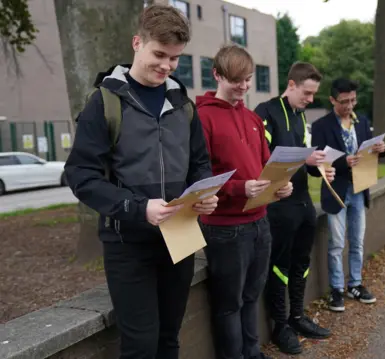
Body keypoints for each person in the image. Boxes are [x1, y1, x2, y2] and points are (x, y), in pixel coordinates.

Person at [64, 5, 218, 359]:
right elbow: (80, 175)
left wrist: (205, 191)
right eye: (159, 54)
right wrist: (138, 208)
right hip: (127, 243)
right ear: (138, 43)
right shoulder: (103, 102)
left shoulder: (183, 103)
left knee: (169, 338)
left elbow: (199, 163)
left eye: (175, 59)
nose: (166, 66)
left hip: (180, 236)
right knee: (141, 346)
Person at [196, 44, 292, 359]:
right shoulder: (202, 118)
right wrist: (239, 189)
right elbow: (199, 176)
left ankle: (253, 352)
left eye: (248, 79)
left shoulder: (252, 118)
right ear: (217, 75)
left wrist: (280, 186)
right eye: (237, 80)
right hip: (224, 228)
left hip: (259, 221)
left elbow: (266, 164)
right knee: (229, 304)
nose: (244, 87)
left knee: (252, 296)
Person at [254, 62, 334, 355]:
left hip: (303, 205)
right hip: (278, 208)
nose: (311, 100)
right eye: (307, 93)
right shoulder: (265, 112)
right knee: (280, 267)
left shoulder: (300, 117)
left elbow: (304, 161)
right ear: (291, 84)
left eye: (314, 94)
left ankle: (297, 316)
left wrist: (321, 170)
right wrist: (306, 160)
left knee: (301, 263)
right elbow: (264, 162)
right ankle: (279, 325)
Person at [311, 78, 385, 312]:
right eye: (344, 102)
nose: (350, 106)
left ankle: (355, 284)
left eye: (353, 100)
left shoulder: (362, 120)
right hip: (336, 192)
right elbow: (316, 164)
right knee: (336, 244)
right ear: (333, 100)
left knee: (357, 242)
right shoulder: (321, 126)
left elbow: (369, 154)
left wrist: (380, 151)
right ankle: (336, 289)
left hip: (359, 190)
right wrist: (344, 161)